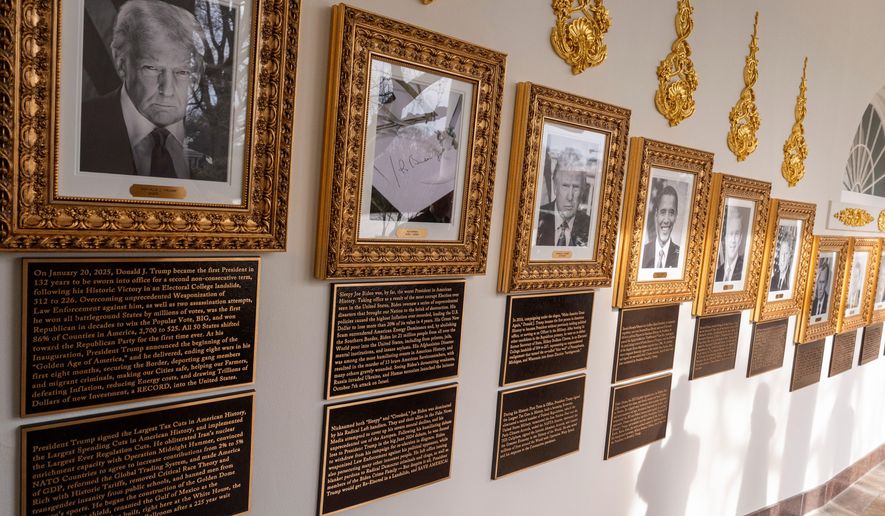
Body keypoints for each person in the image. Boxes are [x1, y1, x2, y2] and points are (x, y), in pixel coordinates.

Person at [80, 0, 209, 179]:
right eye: (152, 68)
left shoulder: (219, 138)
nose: (167, 90)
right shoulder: (76, 126)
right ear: (121, 63)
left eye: (182, 72)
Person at [536, 153, 591, 247]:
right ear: (555, 187)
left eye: (576, 187)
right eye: (565, 186)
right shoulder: (536, 218)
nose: (570, 197)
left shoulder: (590, 227)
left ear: (582, 191)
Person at [641, 184, 680, 268]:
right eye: (663, 212)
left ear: (676, 216)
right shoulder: (642, 252)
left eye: (671, 213)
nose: (666, 220)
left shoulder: (681, 256)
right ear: (656, 214)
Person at [715, 207, 745, 282]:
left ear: (740, 238)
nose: (733, 240)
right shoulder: (717, 273)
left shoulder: (745, 270)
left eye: (736, 234)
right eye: (730, 234)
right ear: (724, 238)